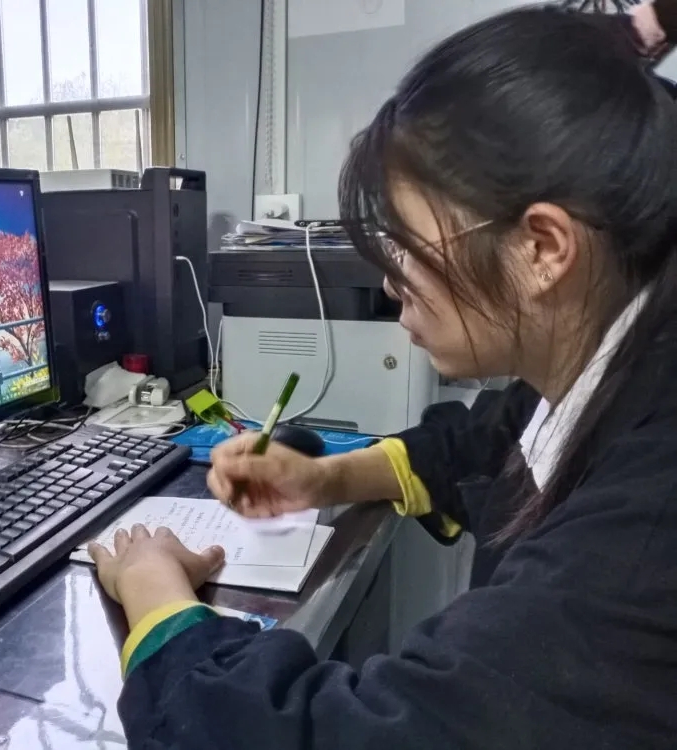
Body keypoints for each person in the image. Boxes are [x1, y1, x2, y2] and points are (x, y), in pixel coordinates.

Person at [89, 7, 677, 749]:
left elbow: (315, 735)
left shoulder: (641, 540)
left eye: (406, 247)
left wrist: (153, 590)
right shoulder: (622, 366)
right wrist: (321, 479)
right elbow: (482, 445)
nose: (392, 285)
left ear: (543, 247)